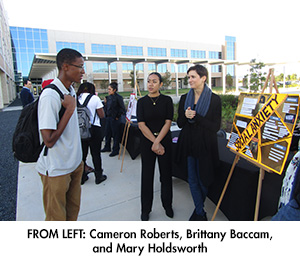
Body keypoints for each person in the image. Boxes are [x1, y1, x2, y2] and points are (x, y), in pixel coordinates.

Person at [36, 48, 84, 221]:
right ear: (65, 66)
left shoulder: (70, 90)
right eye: (79, 66)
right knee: (56, 219)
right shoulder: (50, 95)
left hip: (74, 164)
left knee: (72, 214)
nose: (83, 71)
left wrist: (79, 160)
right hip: (56, 169)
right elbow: (48, 140)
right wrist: (70, 109)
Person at [176, 65, 221, 221]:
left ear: (203, 78)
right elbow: (180, 123)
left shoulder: (215, 99)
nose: (190, 80)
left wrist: (196, 117)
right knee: (193, 179)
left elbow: (215, 127)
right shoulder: (184, 98)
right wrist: (185, 115)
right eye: (188, 77)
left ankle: (198, 208)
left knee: (204, 179)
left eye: (193, 77)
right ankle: (200, 212)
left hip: (205, 146)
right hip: (188, 144)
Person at [137, 72, 174, 221]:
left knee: (166, 175)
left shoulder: (167, 100)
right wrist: (154, 142)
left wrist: (158, 142)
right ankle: (145, 209)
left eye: (154, 81)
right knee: (147, 176)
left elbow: (168, 122)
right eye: (148, 81)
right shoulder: (142, 102)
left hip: (164, 141)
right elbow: (141, 124)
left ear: (161, 84)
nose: (150, 84)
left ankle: (168, 205)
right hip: (147, 143)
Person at [77, 82, 107, 185]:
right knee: (96, 154)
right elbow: (101, 115)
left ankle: (81, 177)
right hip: (94, 129)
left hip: (80, 130)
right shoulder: (94, 98)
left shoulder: (76, 98)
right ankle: (98, 176)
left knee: (82, 155)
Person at [101, 82, 126, 157]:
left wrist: (117, 116)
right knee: (107, 133)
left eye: (110, 89)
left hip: (115, 119)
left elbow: (122, 109)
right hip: (108, 117)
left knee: (115, 135)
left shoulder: (118, 98)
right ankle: (107, 147)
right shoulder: (108, 97)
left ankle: (115, 150)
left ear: (114, 90)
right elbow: (107, 107)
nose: (108, 90)